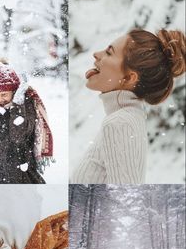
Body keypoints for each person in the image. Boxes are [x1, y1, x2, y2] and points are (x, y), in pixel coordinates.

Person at [72, 28, 186, 184]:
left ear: (129, 77)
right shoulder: (126, 118)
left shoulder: (120, 123)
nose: (96, 54)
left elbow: (124, 201)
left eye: (109, 52)